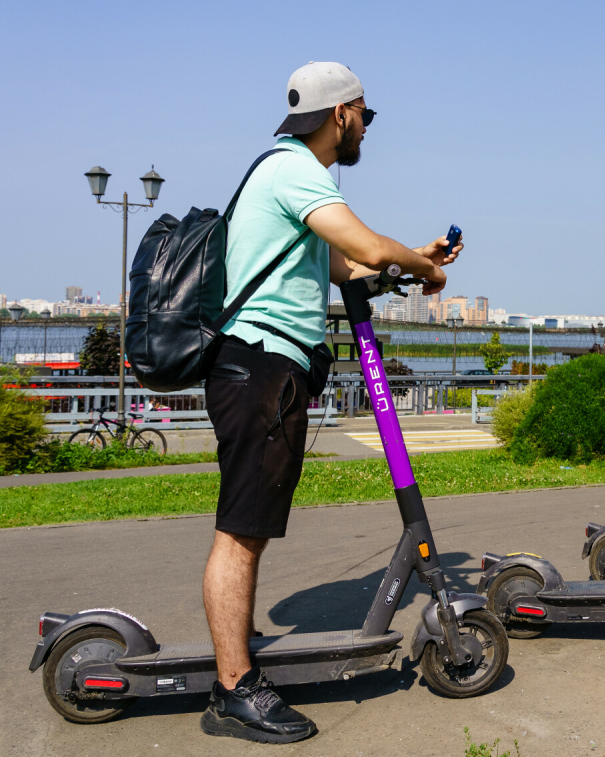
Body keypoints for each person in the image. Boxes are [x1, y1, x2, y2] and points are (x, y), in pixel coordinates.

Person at [199, 62, 460, 743]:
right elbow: (367, 244)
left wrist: (413, 256)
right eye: (365, 116)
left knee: (247, 523)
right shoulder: (295, 170)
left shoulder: (288, 176)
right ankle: (233, 689)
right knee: (241, 528)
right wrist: (421, 266)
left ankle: (236, 659)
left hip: (265, 367)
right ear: (339, 114)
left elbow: (347, 262)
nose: (365, 129)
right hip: (259, 364)